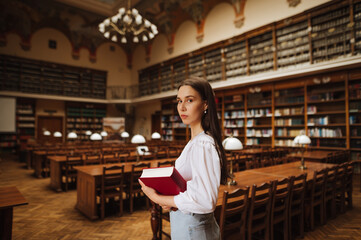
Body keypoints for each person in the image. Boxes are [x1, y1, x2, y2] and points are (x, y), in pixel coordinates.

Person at [139, 77, 227, 240]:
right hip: (190, 225)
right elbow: (192, 188)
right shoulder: (196, 142)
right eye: (179, 101)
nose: (182, 107)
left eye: (190, 100)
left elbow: (206, 201)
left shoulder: (203, 144)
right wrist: (170, 200)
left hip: (195, 229)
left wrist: (156, 197)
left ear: (205, 104)